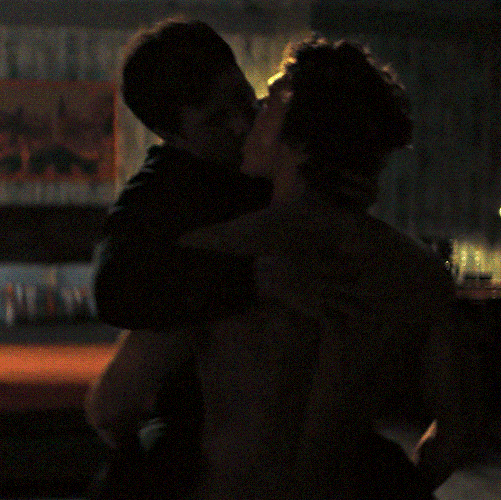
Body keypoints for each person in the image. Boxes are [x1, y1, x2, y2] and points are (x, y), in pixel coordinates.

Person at [122, 35, 478, 498]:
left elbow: (116, 399)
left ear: (301, 140)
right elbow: (457, 434)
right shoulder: (418, 272)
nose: (250, 119)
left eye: (268, 104)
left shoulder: (217, 252)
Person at [84, 18, 272, 499]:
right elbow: (113, 291)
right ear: (169, 132)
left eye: (243, 98)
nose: (241, 124)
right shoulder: (160, 198)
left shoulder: (272, 149)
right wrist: (252, 275)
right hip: (199, 419)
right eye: (214, 120)